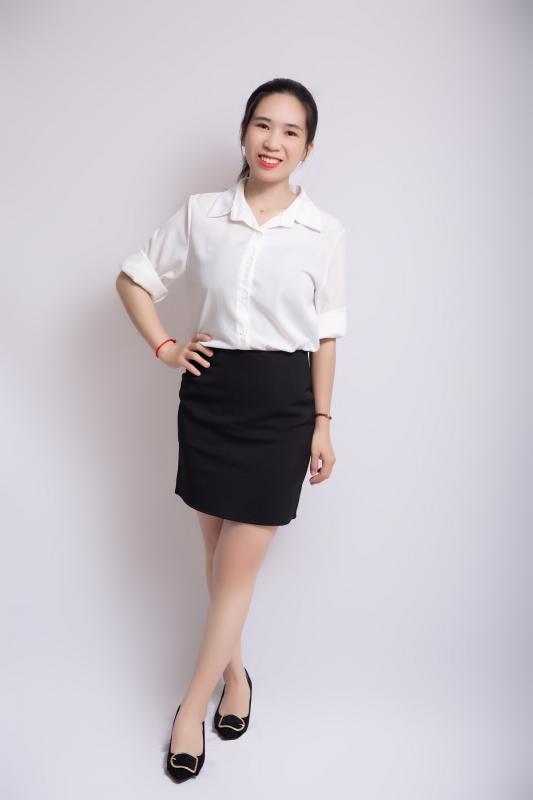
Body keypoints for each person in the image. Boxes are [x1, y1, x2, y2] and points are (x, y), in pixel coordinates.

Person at [115, 77, 347, 783]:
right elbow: (133, 278)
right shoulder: (201, 213)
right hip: (211, 397)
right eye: (262, 125)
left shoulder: (324, 232)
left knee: (238, 569)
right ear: (244, 132)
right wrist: (166, 347)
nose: (273, 142)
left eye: (290, 131)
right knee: (219, 560)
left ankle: (191, 709)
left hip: (281, 406)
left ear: (308, 147)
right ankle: (237, 676)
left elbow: (326, 336)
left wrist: (322, 422)